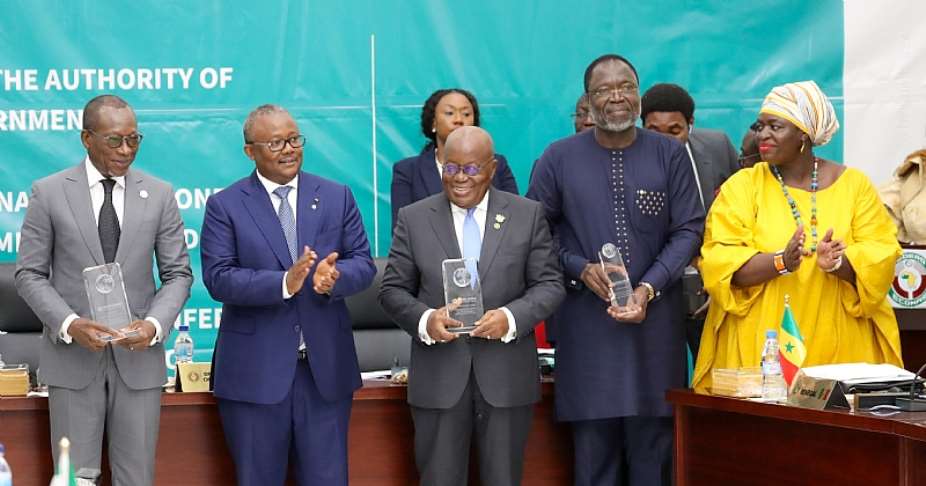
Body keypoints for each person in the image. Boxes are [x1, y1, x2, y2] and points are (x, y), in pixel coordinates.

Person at [527, 54, 704, 486]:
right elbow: (534, 232)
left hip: (655, 328)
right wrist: (579, 268)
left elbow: (689, 229)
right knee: (595, 458)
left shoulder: (669, 155)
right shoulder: (558, 158)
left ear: (639, 95)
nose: (618, 97)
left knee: (654, 454)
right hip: (589, 328)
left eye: (626, 86)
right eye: (604, 90)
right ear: (588, 102)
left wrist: (648, 288)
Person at [15, 95, 192, 485]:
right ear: (86, 138)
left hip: (139, 361)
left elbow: (178, 274)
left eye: (134, 139)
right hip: (73, 360)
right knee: (76, 477)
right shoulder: (49, 192)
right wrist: (70, 323)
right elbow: (29, 274)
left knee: (136, 478)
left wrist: (153, 325)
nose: (126, 150)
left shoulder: (159, 194)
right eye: (115, 140)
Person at [200, 104, 376, 485]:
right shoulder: (225, 205)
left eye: (294, 139)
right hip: (255, 375)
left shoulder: (335, 195)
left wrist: (335, 278)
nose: (289, 149)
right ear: (250, 151)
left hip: (323, 373)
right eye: (276, 142)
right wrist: (284, 283)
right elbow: (219, 278)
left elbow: (364, 263)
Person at [379, 126, 565, 486]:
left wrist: (510, 318)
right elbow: (392, 290)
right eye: (451, 168)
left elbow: (550, 285)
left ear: (492, 169)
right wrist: (426, 320)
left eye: (471, 169)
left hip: (506, 377)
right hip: (439, 378)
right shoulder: (414, 218)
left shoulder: (527, 215)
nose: (459, 179)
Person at [692, 81, 903, 393]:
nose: (762, 135)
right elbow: (720, 264)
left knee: (836, 435)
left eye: (775, 126)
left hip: (839, 340)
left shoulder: (855, 186)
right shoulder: (743, 187)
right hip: (762, 343)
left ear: (804, 133)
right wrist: (781, 261)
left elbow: (880, 261)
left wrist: (838, 263)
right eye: (760, 126)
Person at [640, 82, 740, 362]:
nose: (664, 141)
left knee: (717, 382)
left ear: (691, 125)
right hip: (654, 291)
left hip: (708, 289)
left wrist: (719, 279)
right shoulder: (626, 162)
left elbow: (742, 214)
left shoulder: (717, 146)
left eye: (675, 131)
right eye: (653, 131)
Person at [390, 88, 519, 228]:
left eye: (466, 114)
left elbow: (515, 221)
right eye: (450, 113)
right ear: (433, 123)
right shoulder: (407, 171)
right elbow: (402, 233)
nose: (458, 120)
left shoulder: (496, 165)